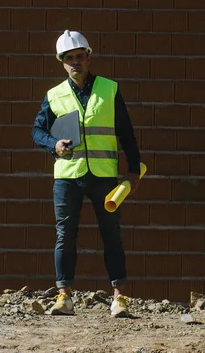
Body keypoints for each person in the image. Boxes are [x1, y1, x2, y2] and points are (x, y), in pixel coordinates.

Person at [32, 30, 141, 317]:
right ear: (62, 62)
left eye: (80, 57)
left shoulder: (109, 89)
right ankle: (64, 296)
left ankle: (119, 297)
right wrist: (53, 145)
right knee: (65, 235)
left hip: (104, 175)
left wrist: (133, 169)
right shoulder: (54, 95)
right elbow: (37, 131)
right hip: (68, 175)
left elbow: (126, 132)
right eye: (70, 59)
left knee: (111, 235)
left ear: (88, 57)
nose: (76, 62)